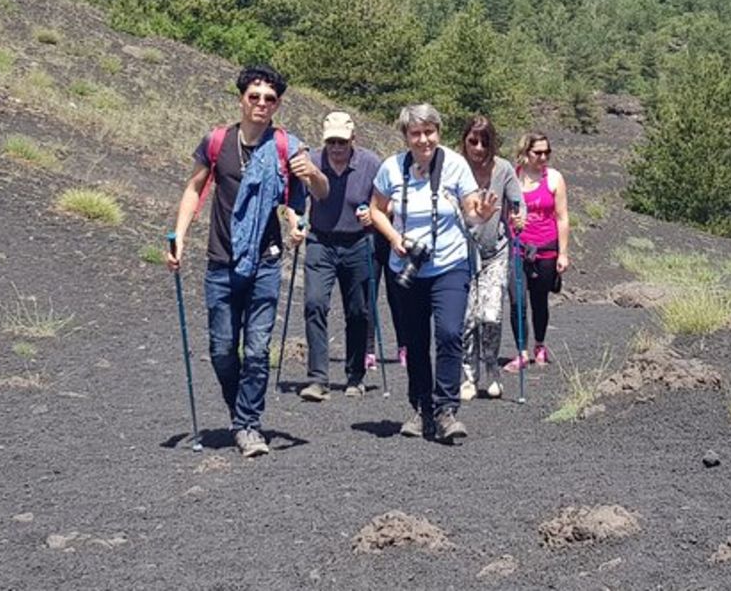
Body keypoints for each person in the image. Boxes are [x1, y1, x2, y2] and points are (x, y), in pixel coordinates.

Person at [166, 65, 329, 458]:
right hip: (221, 260)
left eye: (269, 98)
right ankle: (241, 410)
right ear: (241, 98)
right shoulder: (218, 141)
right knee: (223, 349)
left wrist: (311, 182)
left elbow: (314, 195)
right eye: (254, 96)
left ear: (278, 104)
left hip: (266, 262)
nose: (261, 103)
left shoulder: (288, 145)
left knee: (257, 350)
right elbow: (194, 189)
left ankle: (248, 425)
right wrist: (179, 237)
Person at [365, 104, 497, 443]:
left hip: (449, 265)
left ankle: (445, 409)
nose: (424, 140)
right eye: (416, 133)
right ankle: (420, 407)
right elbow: (375, 210)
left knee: (450, 333)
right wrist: (394, 239)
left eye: (430, 132)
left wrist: (480, 215)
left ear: (438, 131)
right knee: (415, 341)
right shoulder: (391, 168)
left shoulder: (454, 165)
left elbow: (470, 211)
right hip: (407, 267)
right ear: (406, 137)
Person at [299, 112, 383, 402]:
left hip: (358, 242)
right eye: (331, 141)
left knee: (358, 310)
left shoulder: (371, 163)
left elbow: (386, 203)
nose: (336, 147)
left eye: (342, 142)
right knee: (314, 303)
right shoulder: (312, 161)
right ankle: (317, 378)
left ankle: (355, 375)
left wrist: (371, 214)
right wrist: (296, 223)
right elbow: (296, 199)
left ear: (353, 140)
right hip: (320, 241)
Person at [459, 116, 525, 401]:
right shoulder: (455, 168)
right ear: (464, 141)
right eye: (472, 141)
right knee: (467, 318)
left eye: (484, 141)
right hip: (460, 254)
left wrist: (519, 215)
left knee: (491, 314)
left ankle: (491, 370)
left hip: (495, 251)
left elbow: (517, 201)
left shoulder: (504, 169)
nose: (477, 147)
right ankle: (468, 377)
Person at [505, 131, 570, 372]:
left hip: (546, 247)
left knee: (539, 300)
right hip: (517, 247)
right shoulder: (512, 176)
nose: (543, 157)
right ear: (525, 152)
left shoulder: (554, 178)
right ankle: (521, 351)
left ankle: (539, 344)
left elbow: (562, 217)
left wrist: (563, 253)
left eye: (547, 152)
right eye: (538, 152)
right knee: (517, 300)